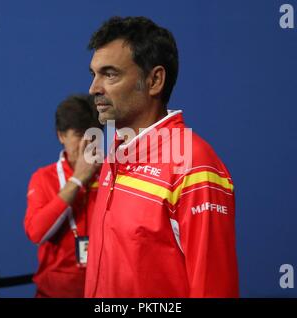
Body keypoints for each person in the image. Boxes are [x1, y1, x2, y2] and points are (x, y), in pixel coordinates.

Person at [84, 16, 239, 297]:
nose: (94, 88)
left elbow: (213, 288)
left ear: (154, 80)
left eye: (110, 74)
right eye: (93, 74)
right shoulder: (115, 154)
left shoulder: (193, 165)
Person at [24, 94, 103, 297]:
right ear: (61, 136)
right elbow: (36, 233)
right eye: (79, 134)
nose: (88, 143)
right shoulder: (44, 178)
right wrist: (77, 180)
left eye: (93, 134)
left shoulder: (112, 176)